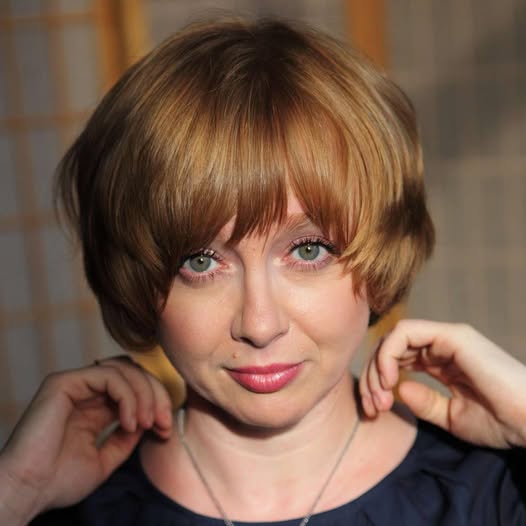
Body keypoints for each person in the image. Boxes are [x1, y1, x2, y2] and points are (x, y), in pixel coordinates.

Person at [0, 17, 525, 526]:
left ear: (382, 252)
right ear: (134, 277)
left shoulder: (495, 494)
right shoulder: (63, 507)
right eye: (201, 261)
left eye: (310, 251)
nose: (260, 324)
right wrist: (15, 493)